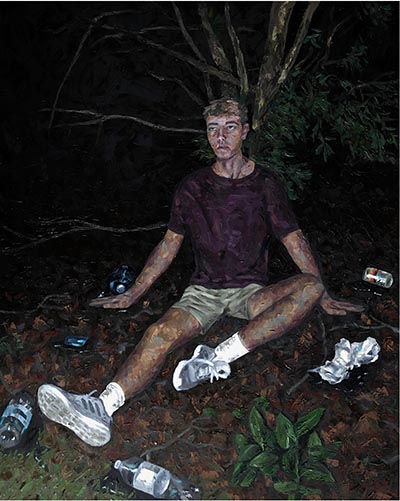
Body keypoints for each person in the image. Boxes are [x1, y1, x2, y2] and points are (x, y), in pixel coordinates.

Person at [37, 98, 363, 447]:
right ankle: (102, 407)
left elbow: (293, 238)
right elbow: (168, 244)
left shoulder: (266, 184)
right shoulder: (192, 187)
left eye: (230, 127)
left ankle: (217, 358)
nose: (221, 137)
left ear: (245, 131)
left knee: (311, 287)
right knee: (160, 333)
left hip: (250, 291)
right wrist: (134, 292)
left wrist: (325, 295)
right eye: (213, 129)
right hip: (203, 291)